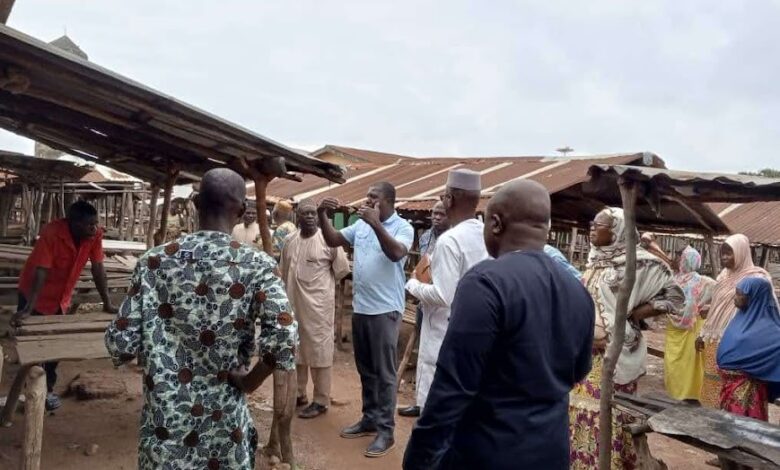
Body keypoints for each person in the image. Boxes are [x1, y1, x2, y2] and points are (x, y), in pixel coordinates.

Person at [105, 168, 297, 470]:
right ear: (243, 210)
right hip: (224, 429)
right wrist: (248, 383)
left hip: (165, 427)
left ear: (195, 204)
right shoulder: (257, 265)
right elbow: (284, 339)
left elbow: (120, 343)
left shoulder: (153, 262)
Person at [403, 180, 594, 470]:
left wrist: (418, 458)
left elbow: (453, 387)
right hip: (551, 451)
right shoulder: (578, 291)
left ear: (495, 223)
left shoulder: (485, 284)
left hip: (489, 452)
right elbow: (579, 370)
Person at [569, 207, 684, 470]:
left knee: (608, 415)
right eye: (592, 223)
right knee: (581, 414)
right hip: (587, 352)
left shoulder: (641, 263)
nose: (592, 228)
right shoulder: (595, 261)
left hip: (615, 357)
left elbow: (675, 296)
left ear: (617, 230)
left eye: (600, 225)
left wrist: (631, 316)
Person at [318, 182, 414, 458]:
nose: (367, 200)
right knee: (366, 369)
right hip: (361, 308)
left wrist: (375, 225)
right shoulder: (360, 225)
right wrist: (324, 214)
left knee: (385, 374)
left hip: (385, 310)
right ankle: (369, 419)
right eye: (368, 195)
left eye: (374, 197)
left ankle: (386, 431)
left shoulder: (402, 227)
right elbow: (334, 240)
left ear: (388, 202)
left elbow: (397, 253)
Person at [14, 200, 118, 410]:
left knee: (54, 348)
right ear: (74, 223)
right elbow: (41, 271)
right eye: (89, 224)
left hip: (61, 297)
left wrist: (107, 303)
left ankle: (48, 390)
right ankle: (31, 393)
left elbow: (98, 268)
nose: (94, 228)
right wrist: (28, 308)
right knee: (33, 348)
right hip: (34, 292)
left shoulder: (94, 235)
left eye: (96, 224)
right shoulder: (52, 232)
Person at [403, 169, 488, 418]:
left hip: (443, 330)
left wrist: (413, 285)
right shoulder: (485, 235)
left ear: (449, 198)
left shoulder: (450, 240)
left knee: (435, 408)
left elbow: (443, 295)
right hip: (472, 330)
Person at [279, 199, 350, 419]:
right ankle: (299, 393)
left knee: (319, 352)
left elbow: (341, 270)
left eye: (313, 213)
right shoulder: (290, 240)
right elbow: (282, 271)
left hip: (319, 308)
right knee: (297, 349)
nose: (309, 217)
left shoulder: (329, 240)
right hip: (293, 306)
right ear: (296, 217)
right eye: (305, 213)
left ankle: (320, 400)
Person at [696, 234, 771, 408]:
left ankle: (732, 424)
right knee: (712, 382)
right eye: (722, 253)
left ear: (742, 253)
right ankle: (711, 423)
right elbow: (716, 307)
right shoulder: (723, 276)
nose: (724, 257)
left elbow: (761, 312)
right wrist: (702, 334)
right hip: (714, 340)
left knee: (736, 389)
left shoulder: (758, 278)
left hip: (739, 343)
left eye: (729, 253)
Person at [399, 201, 450, 418]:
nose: (436, 217)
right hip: (424, 299)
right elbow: (423, 265)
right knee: (423, 351)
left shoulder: (453, 240)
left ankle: (436, 404)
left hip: (445, 305)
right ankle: (421, 401)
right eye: (434, 213)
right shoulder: (426, 237)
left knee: (441, 355)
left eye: (441, 214)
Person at [717, 276, 780, 422]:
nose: (735, 297)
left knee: (744, 429)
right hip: (729, 389)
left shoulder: (768, 328)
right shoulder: (741, 318)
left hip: (747, 391)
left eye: (740, 294)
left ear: (754, 296)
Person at [664, 246, 715, 402]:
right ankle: (691, 394)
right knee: (691, 363)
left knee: (678, 362)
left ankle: (678, 392)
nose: (678, 260)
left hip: (678, 328)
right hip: (693, 326)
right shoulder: (705, 282)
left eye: (681, 257)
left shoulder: (672, 280)